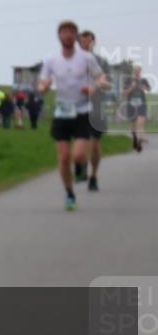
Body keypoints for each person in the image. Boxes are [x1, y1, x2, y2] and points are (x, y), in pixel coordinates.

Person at [37, 21, 108, 211]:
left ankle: (81, 166)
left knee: (78, 154)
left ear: (75, 36)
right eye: (64, 32)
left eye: (71, 32)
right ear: (59, 36)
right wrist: (43, 88)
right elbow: (42, 84)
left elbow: (101, 77)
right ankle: (69, 193)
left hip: (82, 111)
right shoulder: (51, 60)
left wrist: (93, 87)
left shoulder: (86, 58)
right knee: (63, 158)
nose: (68, 35)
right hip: (62, 112)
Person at [78, 30, 113, 190]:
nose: (86, 44)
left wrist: (96, 85)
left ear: (93, 43)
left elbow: (109, 84)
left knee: (96, 144)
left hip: (97, 105)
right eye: (83, 41)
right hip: (77, 105)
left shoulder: (101, 62)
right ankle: (81, 164)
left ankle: (94, 175)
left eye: (89, 41)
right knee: (80, 142)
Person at [123, 65, 150, 153]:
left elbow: (148, 90)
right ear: (133, 71)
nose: (136, 72)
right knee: (133, 127)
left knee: (140, 125)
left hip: (142, 105)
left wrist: (145, 88)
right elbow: (124, 92)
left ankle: (139, 142)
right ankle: (135, 139)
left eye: (138, 70)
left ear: (140, 71)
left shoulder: (144, 81)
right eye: (135, 70)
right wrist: (132, 87)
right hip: (131, 106)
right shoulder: (129, 80)